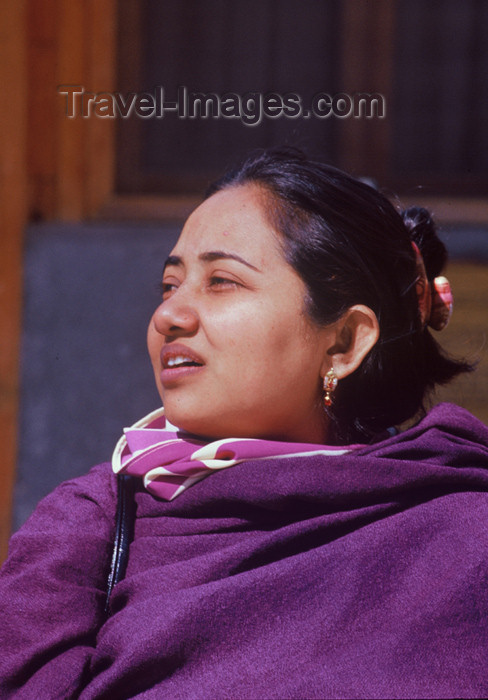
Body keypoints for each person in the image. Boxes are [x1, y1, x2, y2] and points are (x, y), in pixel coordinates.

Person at [1, 149, 487, 699]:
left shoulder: (463, 538)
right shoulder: (89, 528)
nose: (169, 315)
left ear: (346, 341)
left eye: (222, 281)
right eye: (169, 284)